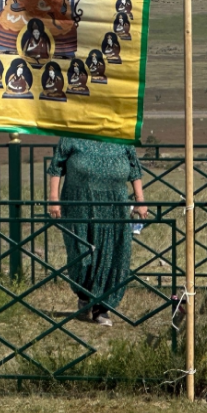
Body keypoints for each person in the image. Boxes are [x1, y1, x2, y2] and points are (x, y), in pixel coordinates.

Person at [47, 138, 147, 326]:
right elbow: (56, 166)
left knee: (113, 252)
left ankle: (102, 307)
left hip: (115, 203)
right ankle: (84, 295)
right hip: (78, 203)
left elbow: (135, 170)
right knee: (81, 252)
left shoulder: (122, 137)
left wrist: (140, 201)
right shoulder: (71, 137)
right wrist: (53, 198)